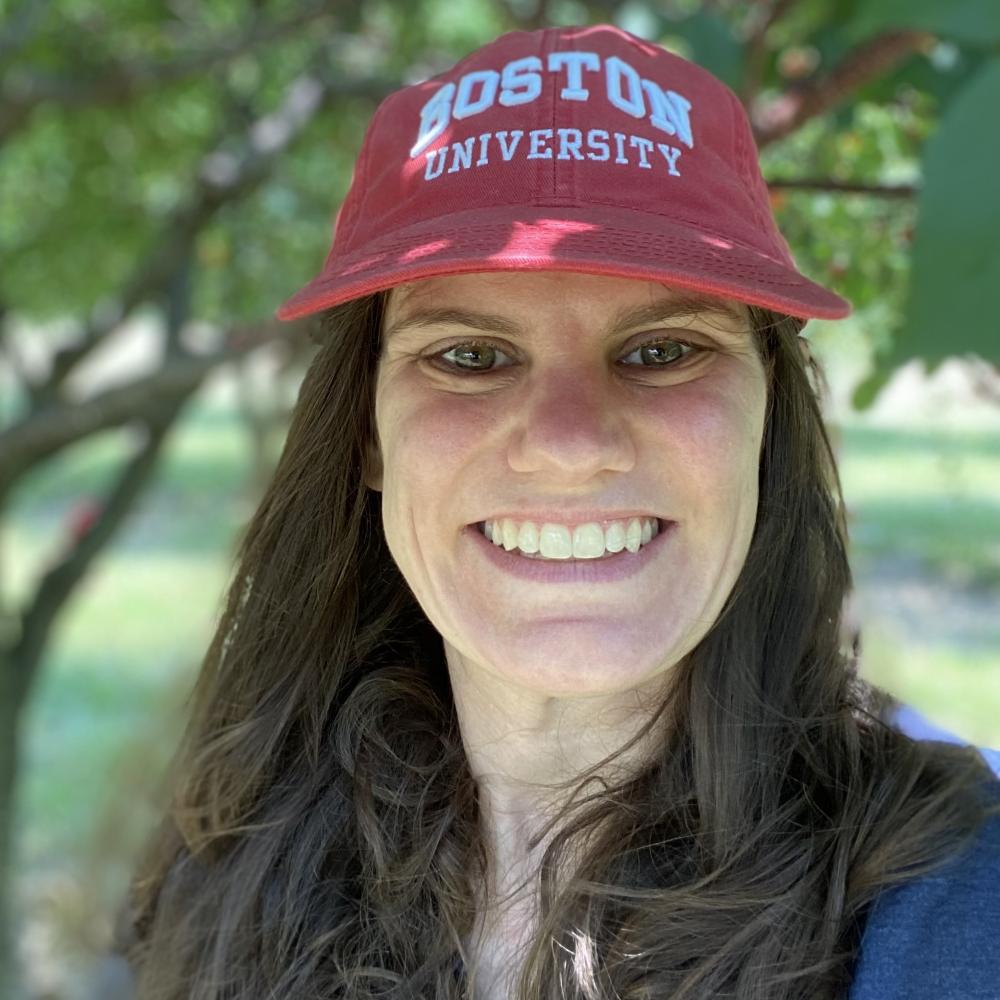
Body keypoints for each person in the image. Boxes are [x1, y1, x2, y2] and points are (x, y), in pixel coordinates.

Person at [116, 23, 1000, 1000]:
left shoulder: (967, 908)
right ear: (366, 433)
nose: (571, 443)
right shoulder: (226, 884)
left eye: (662, 350)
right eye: (470, 357)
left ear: (765, 415)